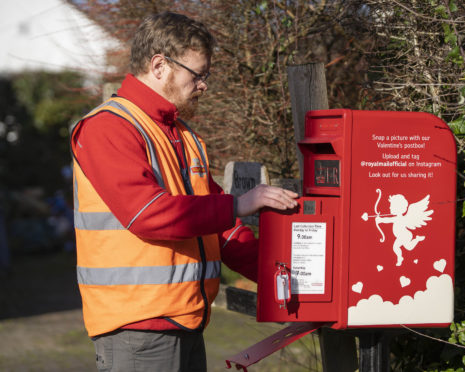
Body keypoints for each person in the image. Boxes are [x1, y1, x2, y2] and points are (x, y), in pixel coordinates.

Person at [70, 11, 298, 372]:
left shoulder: (182, 135)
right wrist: (238, 203)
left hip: (185, 321)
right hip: (139, 329)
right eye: (198, 74)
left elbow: (221, 229)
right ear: (160, 65)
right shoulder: (107, 128)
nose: (204, 85)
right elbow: (148, 215)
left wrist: (288, 280)